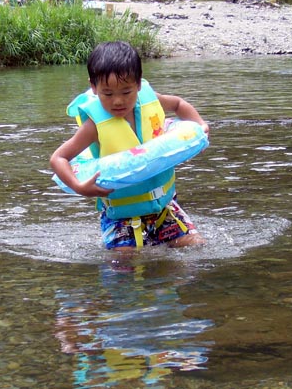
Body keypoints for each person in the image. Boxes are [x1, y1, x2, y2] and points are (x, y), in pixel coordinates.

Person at [50, 41, 209, 250]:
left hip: (164, 208)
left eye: (126, 92)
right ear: (94, 87)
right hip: (121, 215)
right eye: (108, 94)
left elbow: (178, 104)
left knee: (195, 246)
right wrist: (79, 187)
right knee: (124, 261)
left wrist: (200, 125)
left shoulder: (149, 101)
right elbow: (58, 158)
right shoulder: (94, 125)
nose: (118, 101)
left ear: (138, 85)